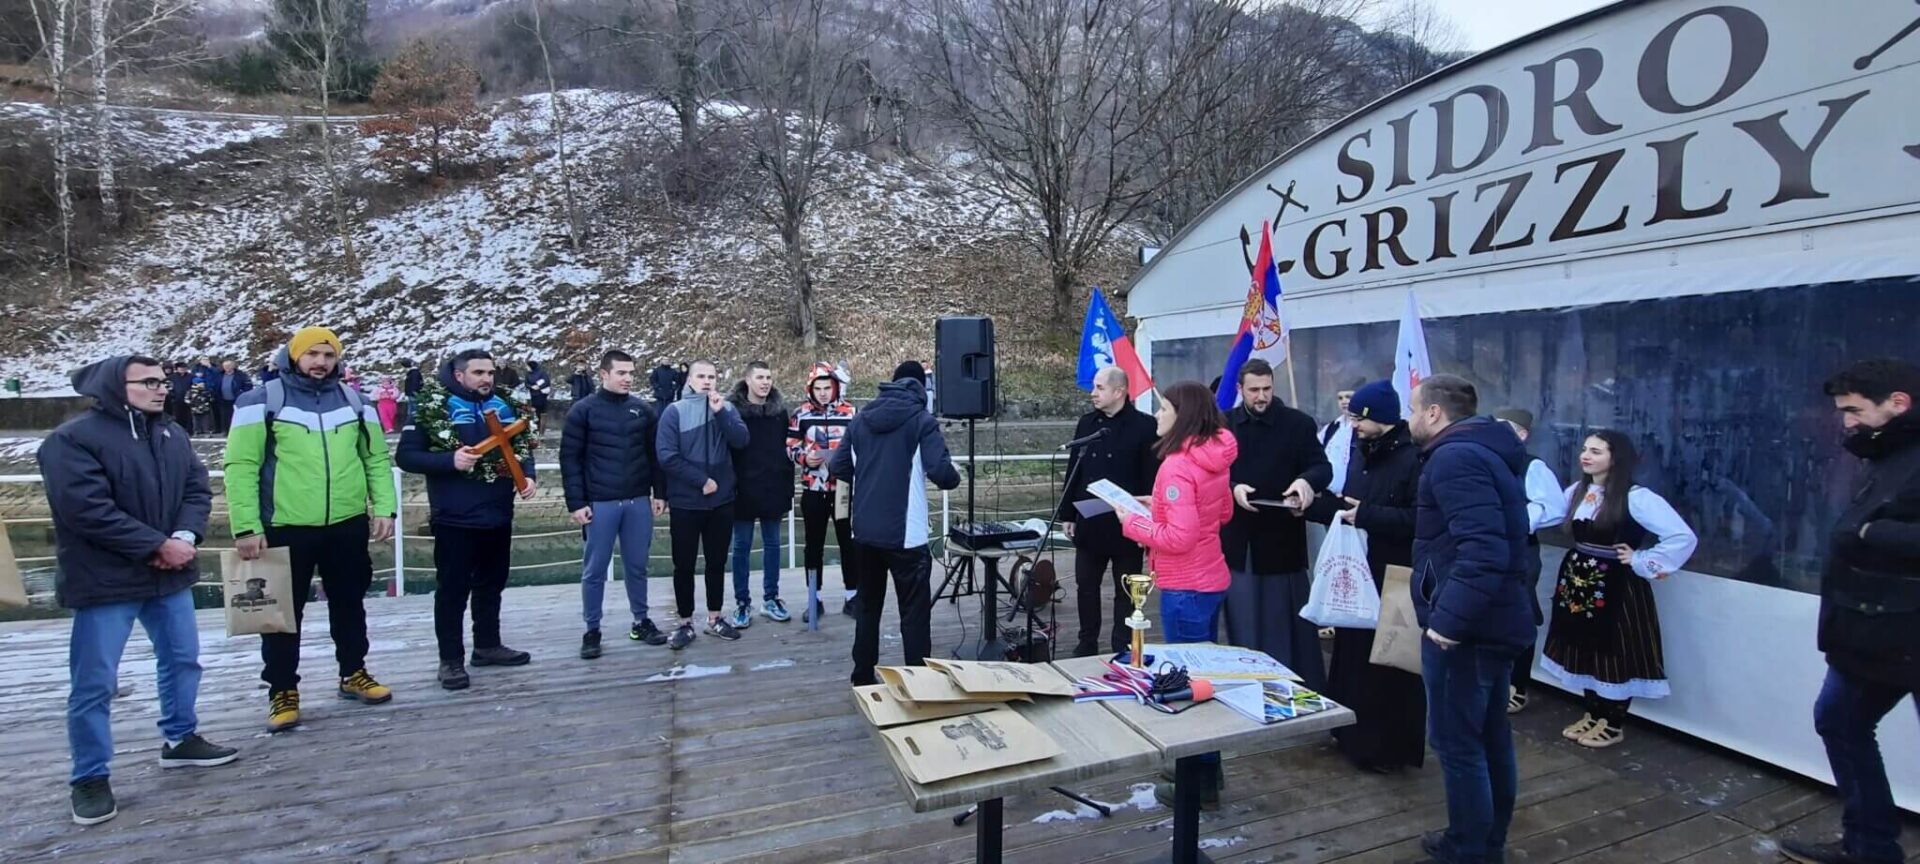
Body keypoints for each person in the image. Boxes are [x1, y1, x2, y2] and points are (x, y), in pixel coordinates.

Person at [39, 356, 238, 827]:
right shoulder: (71, 440)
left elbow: (197, 490)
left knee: (183, 659)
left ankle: (180, 738)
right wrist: (156, 545)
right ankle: (89, 776)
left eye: (163, 381)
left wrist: (184, 538)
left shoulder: (172, 434)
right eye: (148, 382)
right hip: (104, 581)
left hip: (168, 576)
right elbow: (85, 510)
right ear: (114, 387)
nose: (161, 389)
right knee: (95, 682)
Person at [1781, 360, 1920, 864]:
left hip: (1903, 628)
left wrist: (1868, 532)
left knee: (1839, 720)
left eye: (1855, 410)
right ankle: (1870, 846)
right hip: (1872, 630)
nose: (1846, 422)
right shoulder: (1884, 453)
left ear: (1898, 403)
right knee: (1838, 720)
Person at [226, 327, 398, 731]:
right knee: (281, 615)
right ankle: (282, 690)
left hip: (346, 523)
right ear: (294, 356)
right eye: (312, 354)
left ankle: (353, 671)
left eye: (328, 355)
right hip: (284, 526)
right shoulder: (260, 401)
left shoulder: (357, 402)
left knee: (349, 603)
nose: (320, 362)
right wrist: (247, 526)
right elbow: (241, 466)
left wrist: (385, 508)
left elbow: (375, 459)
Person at [1406, 374, 1540, 864]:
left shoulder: (1455, 458)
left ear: (1434, 412)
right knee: (1489, 737)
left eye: (1413, 408)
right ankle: (1485, 843)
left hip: (1468, 630)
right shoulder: (1483, 450)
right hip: (1494, 620)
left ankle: (1469, 850)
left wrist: (1447, 623)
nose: (1409, 417)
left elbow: (1483, 551)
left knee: (1460, 745)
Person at [1119, 380, 1238, 807]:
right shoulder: (1214, 455)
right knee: (1203, 674)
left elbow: (1179, 537)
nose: (1157, 415)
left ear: (1182, 415)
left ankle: (1197, 783)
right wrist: (1160, 507)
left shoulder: (1176, 466)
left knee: (1188, 684)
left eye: (1164, 409)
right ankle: (1206, 768)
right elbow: (1222, 512)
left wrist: (1133, 522)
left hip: (1185, 585)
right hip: (1210, 579)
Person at [1541, 430, 1697, 749]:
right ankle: (1593, 713)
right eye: (1585, 449)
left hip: (1617, 585)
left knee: (1614, 647)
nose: (1586, 456)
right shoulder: (1578, 491)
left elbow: (1682, 536)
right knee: (1581, 641)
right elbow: (1548, 511)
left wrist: (1641, 559)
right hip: (1579, 581)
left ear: (1616, 458)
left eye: (1596, 451)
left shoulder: (1636, 497)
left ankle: (1612, 723)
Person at [397, 348, 539, 690]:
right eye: (478, 373)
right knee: (453, 591)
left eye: (490, 372)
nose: (486, 378)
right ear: (459, 375)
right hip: (455, 516)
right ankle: (450, 660)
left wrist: (529, 475)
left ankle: (487, 645)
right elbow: (406, 456)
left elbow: (520, 446)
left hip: (498, 512)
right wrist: (450, 460)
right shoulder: (434, 406)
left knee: (492, 583)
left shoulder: (505, 404)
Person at [1305, 380, 1425, 773]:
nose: (1352, 423)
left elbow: (1419, 520)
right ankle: (1350, 734)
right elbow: (1351, 505)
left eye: (1358, 417)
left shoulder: (1413, 460)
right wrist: (1310, 507)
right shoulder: (1362, 452)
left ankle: (1386, 751)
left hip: (1395, 575)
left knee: (1388, 666)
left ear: (1380, 418)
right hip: (1359, 572)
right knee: (1353, 658)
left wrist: (1367, 515)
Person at [831, 361, 960, 686]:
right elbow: (942, 474)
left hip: (864, 532)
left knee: (867, 608)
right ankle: (919, 683)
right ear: (921, 388)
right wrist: (954, 470)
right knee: (914, 614)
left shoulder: (860, 420)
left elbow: (838, 466)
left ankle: (862, 677)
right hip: (907, 535)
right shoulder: (922, 421)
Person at [1221, 358, 1331, 689]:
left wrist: (1305, 482)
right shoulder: (1224, 425)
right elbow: (1211, 473)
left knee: (1284, 623)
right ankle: (1248, 685)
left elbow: (1321, 467)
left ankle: (1291, 687)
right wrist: (1232, 487)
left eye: (1267, 388)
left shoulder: (1298, 423)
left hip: (1283, 540)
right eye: (1254, 390)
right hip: (1239, 540)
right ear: (1240, 389)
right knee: (1243, 620)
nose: (1261, 396)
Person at [560, 350, 670, 658]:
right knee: (595, 569)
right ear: (604, 374)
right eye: (621, 373)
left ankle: (641, 621)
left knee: (637, 566)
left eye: (631, 373)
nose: (628, 378)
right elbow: (570, 459)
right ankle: (592, 629)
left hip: (638, 501)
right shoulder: (583, 411)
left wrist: (660, 493)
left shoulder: (643, 410)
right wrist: (576, 503)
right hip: (600, 502)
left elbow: (655, 455)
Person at [1057, 365, 1158, 657]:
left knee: (1125, 589)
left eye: (1099, 388)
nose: (1093, 393)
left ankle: (1122, 643)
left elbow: (1152, 476)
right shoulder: (1086, 423)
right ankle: (1087, 641)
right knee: (1086, 585)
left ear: (1119, 391)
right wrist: (1067, 513)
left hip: (1128, 524)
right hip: (1090, 520)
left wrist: (1148, 522)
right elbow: (1074, 468)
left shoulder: (1145, 426)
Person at [655, 359, 751, 649]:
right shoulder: (674, 411)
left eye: (711, 377)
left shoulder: (727, 408)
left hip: (721, 502)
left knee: (716, 563)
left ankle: (715, 617)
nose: (707, 381)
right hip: (686, 502)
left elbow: (741, 440)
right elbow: (666, 455)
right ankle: (685, 622)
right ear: (689, 379)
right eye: (701, 376)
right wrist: (701, 480)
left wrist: (721, 413)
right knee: (683, 564)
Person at [1491, 408, 1569, 715]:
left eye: (1505, 427)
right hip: (1486, 545)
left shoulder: (1532, 466)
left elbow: (1554, 507)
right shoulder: (1484, 459)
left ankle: (1516, 685)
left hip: (1519, 548)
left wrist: (1521, 522)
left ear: (1522, 434)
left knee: (1518, 612)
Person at [789, 360, 860, 623]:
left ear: (835, 388)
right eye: (817, 388)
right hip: (813, 488)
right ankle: (813, 599)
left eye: (826, 388)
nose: (822, 393)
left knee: (848, 543)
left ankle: (852, 596)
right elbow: (790, 445)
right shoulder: (801, 414)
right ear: (810, 389)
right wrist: (803, 458)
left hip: (843, 489)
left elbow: (861, 445)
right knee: (813, 544)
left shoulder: (852, 413)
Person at [727, 362, 793, 628]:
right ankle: (742, 602)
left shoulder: (780, 412)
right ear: (748, 380)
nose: (765, 382)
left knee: (773, 544)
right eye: (760, 377)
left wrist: (787, 486)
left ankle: (771, 598)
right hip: (741, 488)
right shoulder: (732, 411)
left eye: (768, 377)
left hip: (773, 487)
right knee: (741, 546)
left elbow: (787, 450)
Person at [216, 359, 253, 434]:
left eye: (229, 366)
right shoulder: (220, 375)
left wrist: (242, 393)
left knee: (236, 416)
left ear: (233, 366)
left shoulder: (240, 375)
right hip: (223, 400)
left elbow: (248, 385)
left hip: (237, 399)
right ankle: (226, 431)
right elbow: (216, 385)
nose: (227, 367)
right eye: (225, 366)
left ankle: (237, 431)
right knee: (225, 416)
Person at [165, 362, 193, 429]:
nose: (182, 369)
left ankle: (189, 430)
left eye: (184, 368)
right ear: (177, 369)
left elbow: (194, 386)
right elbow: (168, 388)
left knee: (189, 417)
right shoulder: (171, 377)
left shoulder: (191, 376)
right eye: (180, 368)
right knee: (177, 416)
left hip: (188, 400)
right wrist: (172, 396)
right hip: (176, 401)